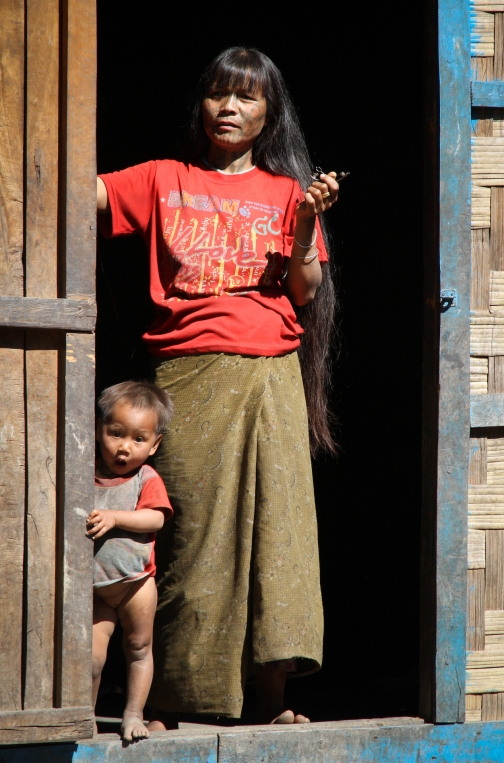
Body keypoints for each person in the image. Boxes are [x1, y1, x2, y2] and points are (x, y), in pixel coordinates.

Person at [96, 46, 339, 727]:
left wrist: (306, 225)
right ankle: (172, 698)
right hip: (189, 374)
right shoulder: (163, 178)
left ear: (268, 115)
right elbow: (75, 192)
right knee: (191, 534)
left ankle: (273, 699)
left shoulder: (290, 193)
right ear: (201, 105)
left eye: (247, 97)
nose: (230, 107)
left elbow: (306, 289)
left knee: (277, 532)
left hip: (271, 378)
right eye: (219, 94)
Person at [88, 381, 174, 741]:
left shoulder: (145, 478)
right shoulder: (82, 471)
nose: (124, 447)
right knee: (90, 657)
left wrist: (115, 517)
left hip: (136, 584)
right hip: (94, 588)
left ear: (154, 445)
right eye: (116, 433)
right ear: (98, 429)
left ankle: (134, 714)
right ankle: (84, 714)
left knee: (139, 649)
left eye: (138, 439)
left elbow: (155, 518)